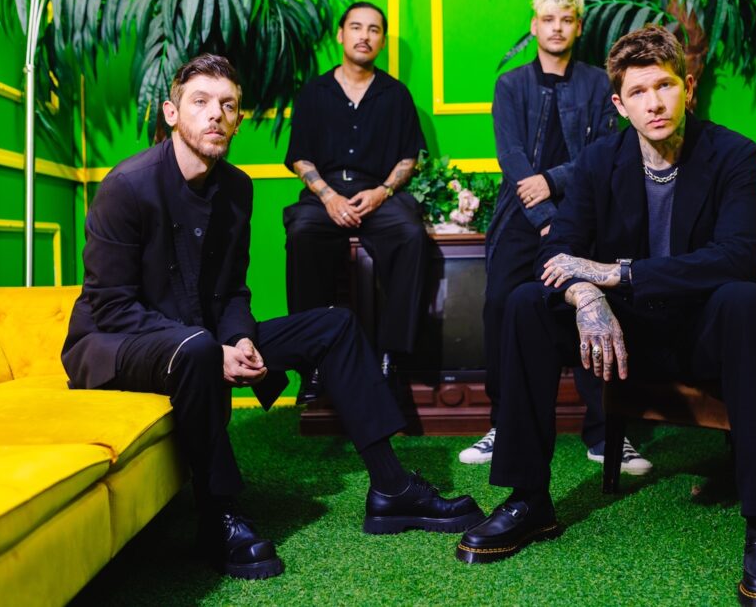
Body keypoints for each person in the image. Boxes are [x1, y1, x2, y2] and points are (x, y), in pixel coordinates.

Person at [62, 54, 483, 581]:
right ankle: (219, 514)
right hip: (115, 344)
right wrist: (210, 347)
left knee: (335, 324)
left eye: (227, 105)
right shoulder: (127, 186)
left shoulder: (237, 189)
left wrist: (239, 338)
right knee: (196, 349)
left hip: (203, 336)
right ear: (171, 113)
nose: (215, 114)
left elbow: (232, 290)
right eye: (200, 102)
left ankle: (392, 489)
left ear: (238, 120)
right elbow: (112, 306)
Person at [455, 25, 756, 606]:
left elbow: (736, 256)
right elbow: (557, 252)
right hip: (625, 334)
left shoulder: (735, 154)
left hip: (704, 329)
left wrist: (615, 274)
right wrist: (587, 297)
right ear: (619, 104)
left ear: (688, 87)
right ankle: (527, 499)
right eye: (639, 92)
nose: (655, 103)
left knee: (746, 300)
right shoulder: (598, 161)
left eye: (664, 86)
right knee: (524, 304)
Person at [459, 0, 651, 478]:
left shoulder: (597, 83)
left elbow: (601, 152)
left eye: (567, 20)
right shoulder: (510, 85)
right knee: (501, 307)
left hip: (583, 210)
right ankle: (503, 425)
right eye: (549, 19)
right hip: (519, 216)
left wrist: (553, 186)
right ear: (535, 25)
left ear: (578, 27)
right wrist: (545, 218)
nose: (558, 28)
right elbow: (510, 155)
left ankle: (606, 432)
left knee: (594, 304)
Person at [283, 1, 428, 378]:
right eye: (357, 27)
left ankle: (392, 356)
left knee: (410, 234)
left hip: (377, 194)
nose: (365, 36)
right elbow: (299, 157)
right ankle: (312, 360)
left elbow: (409, 157)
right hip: (326, 194)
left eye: (374, 30)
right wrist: (329, 196)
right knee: (302, 232)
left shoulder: (396, 95)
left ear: (382, 42)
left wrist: (382, 192)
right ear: (340, 34)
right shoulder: (314, 92)